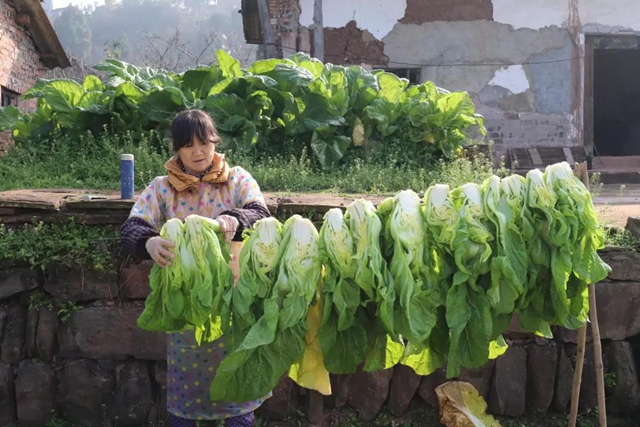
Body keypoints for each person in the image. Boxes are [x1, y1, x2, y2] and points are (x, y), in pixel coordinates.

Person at [120, 109, 271, 427]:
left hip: (235, 297)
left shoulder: (237, 179)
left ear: (215, 142)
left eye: (204, 142)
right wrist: (149, 243)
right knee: (187, 392)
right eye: (188, 145)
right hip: (187, 304)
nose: (198, 151)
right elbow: (133, 226)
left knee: (237, 383)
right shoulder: (162, 188)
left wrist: (237, 218)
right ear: (177, 149)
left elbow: (261, 213)